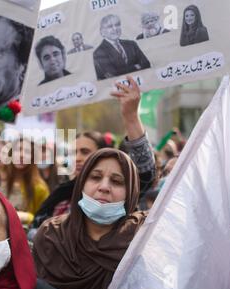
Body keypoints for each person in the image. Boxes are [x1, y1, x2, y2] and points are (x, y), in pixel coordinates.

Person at [31, 76, 156, 234]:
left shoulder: (120, 196)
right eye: (73, 152)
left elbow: (146, 174)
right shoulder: (60, 197)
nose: (77, 158)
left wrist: (131, 117)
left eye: (85, 152)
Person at [33, 148, 148, 289]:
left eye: (117, 181)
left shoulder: (142, 239)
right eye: (95, 177)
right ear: (81, 184)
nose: (104, 187)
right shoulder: (51, 234)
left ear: (130, 192)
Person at [0, 139, 50, 228]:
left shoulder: (40, 188)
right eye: (18, 150)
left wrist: (28, 217)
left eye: (27, 152)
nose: (22, 155)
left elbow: (43, 220)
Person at [93, 14, 151, 80]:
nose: (115, 29)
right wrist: (136, 66)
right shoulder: (98, 52)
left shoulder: (131, 44)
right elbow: (113, 74)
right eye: (110, 26)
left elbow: (146, 64)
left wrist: (123, 70)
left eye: (117, 25)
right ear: (102, 31)